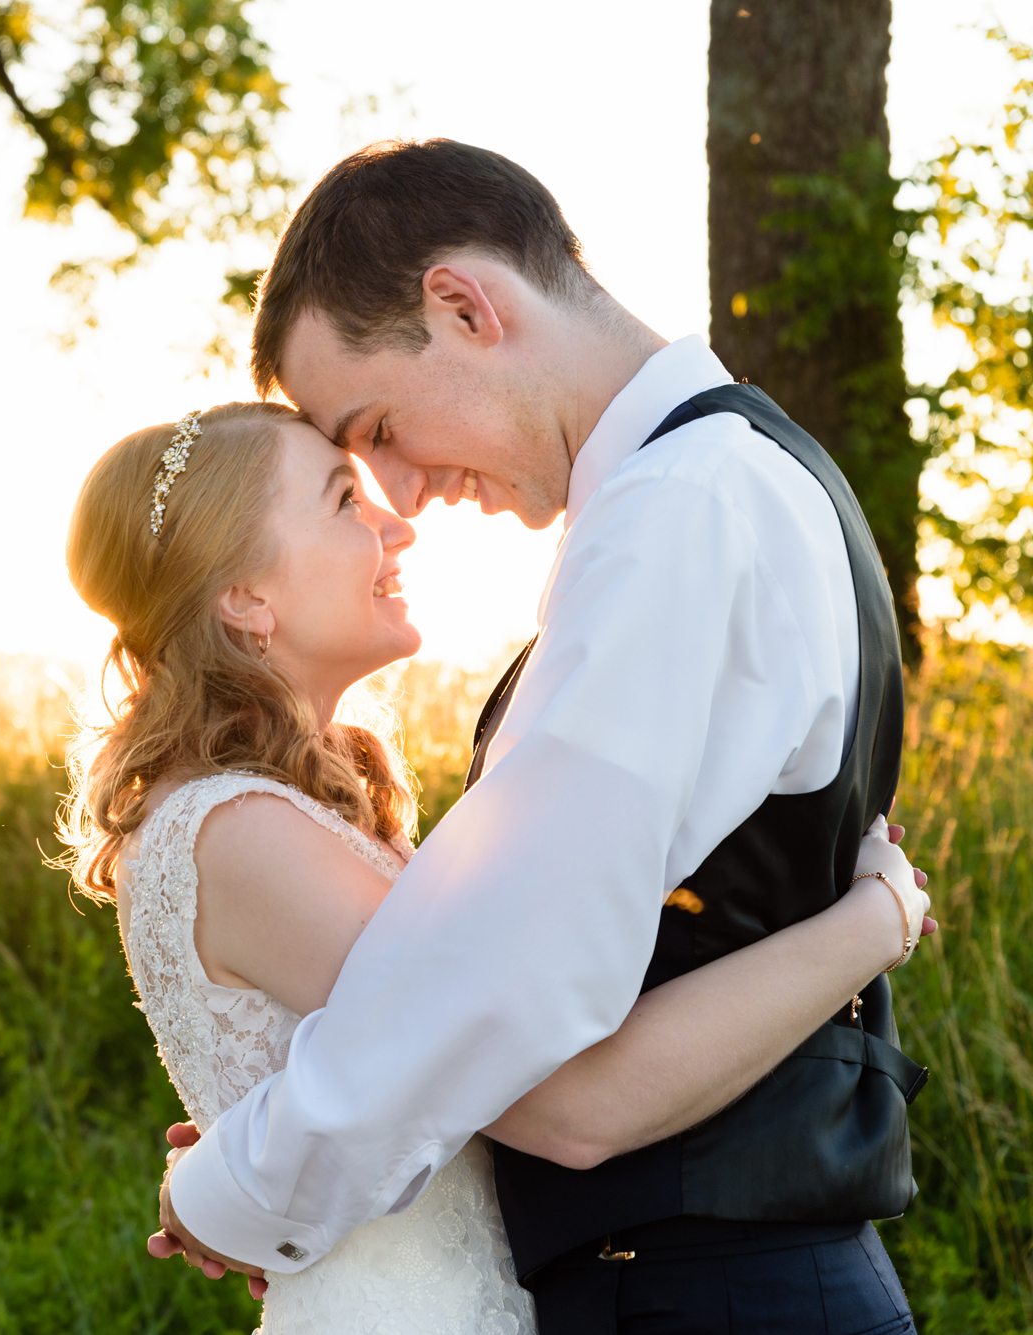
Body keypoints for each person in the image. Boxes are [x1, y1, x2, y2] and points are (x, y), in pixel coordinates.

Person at [59, 402, 932, 1331]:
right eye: (343, 500)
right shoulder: (239, 832)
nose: (397, 523)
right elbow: (564, 1095)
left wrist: (240, 1171)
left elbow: (402, 1078)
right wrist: (874, 923)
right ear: (244, 596)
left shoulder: (281, 812)